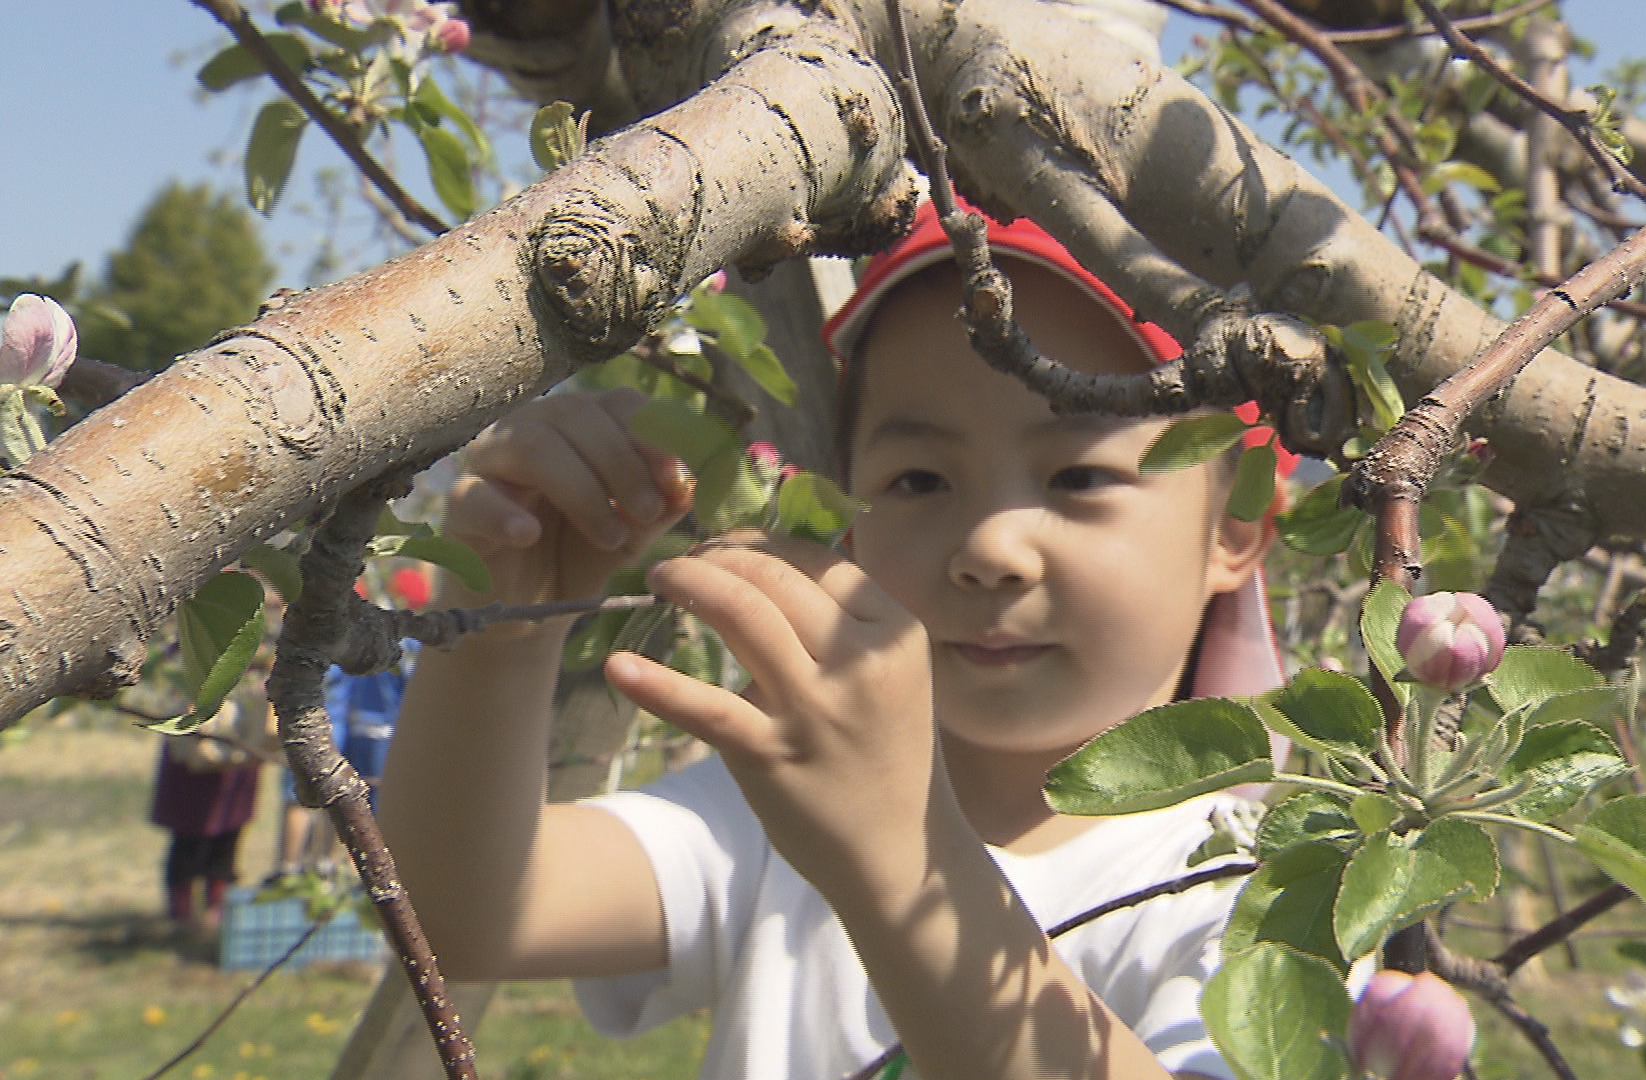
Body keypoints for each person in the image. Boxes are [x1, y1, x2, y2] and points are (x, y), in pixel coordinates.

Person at [380, 203, 1290, 1079]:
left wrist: (900, 861)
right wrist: (493, 630)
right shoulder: (782, 806)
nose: (988, 550)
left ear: (1236, 526)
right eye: (920, 479)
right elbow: (467, 917)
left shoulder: (1260, 885)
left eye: (1081, 475)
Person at [270, 568, 427, 881]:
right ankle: (337, 868)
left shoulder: (316, 633)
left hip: (325, 723)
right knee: (350, 798)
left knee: (300, 796)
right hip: (373, 729)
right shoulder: (403, 642)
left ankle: (289, 868)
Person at [150, 698, 268, 937]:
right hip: (195, 745)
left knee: (228, 833)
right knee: (188, 835)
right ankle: (181, 913)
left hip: (237, 738)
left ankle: (217, 907)